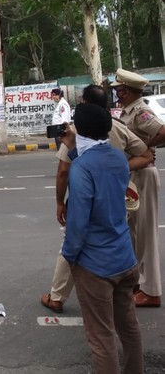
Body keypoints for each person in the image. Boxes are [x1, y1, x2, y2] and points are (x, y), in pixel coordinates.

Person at [40, 84, 154, 314]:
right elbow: (146, 155)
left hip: (85, 200)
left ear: (84, 103)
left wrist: (60, 202)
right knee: (120, 234)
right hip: (116, 200)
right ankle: (120, 288)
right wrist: (118, 169)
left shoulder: (78, 131)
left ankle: (57, 296)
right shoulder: (118, 128)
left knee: (71, 244)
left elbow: (63, 171)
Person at [62, 103, 142, 374]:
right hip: (125, 259)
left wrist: (70, 256)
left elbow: (78, 222)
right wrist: (74, 150)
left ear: (79, 128)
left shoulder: (81, 169)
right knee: (129, 328)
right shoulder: (118, 158)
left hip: (96, 266)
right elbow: (98, 172)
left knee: (102, 337)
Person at [112, 68, 165, 307]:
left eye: (119, 90)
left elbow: (162, 131)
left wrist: (146, 146)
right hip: (134, 175)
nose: (117, 95)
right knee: (133, 233)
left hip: (143, 175)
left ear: (128, 91)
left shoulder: (141, 111)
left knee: (145, 235)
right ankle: (138, 283)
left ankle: (152, 291)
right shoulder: (129, 111)